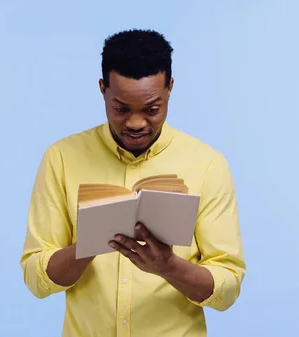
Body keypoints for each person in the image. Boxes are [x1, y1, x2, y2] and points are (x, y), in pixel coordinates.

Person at [20, 29, 246, 337]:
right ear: (103, 90)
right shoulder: (61, 157)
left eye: (152, 109)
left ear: (170, 89)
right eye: (121, 108)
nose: (136, 123)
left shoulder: (207, 164)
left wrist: (168, 266)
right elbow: (36, 278)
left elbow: (228, 288)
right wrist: (90, 243)